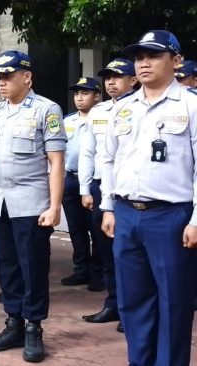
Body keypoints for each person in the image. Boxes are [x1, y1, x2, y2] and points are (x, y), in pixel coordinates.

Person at [100, 30, 197, 366]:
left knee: (174, 301)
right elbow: (108, 159)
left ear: (176, 60)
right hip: (126, 215)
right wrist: (108, 207)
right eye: (139, 58)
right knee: (133, 301)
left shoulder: (192, 105)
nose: (143, 63)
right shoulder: (122, 109)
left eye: (153, 56)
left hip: (171, 217)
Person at [0, 50, 66, 363]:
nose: (2, 82)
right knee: (6, 266)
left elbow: (56, 163)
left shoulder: (46, 110)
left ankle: (33, 327)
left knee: (33, 267)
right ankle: (13, 322)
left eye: (8, 76)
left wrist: (55, 207)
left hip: (31, 202)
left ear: (27, 77)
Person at [79, 57, 137, 333]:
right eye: (108, 77)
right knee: (106, 252)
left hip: (128, 192)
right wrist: (84, 187)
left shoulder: (140, 109)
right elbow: (87, 152)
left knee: (131, 255)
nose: (111, 81)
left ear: (133, 80)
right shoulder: (98, 112)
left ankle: (132, 309)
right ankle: (113, 303)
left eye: (118, 76)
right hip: (100, 188)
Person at [61, 77, 103, 290]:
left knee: (96, 229)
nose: (79, 97)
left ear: (97, 96)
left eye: (85, 93)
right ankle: (81, 270)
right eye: (77, 93)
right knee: (76, 229)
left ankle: (98, 273)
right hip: (70, 180)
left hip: (94, 182)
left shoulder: (103, 119)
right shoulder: (67, 121)